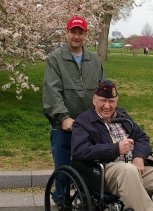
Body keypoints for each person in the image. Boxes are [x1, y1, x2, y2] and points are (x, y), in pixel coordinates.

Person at [71, 80, 153, 211]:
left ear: (116, 102)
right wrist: (115, 149)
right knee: (129, 170)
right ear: (94, 100)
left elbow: (142, 137)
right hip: (104, 172)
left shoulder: (123, 116)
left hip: (134, 169)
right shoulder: (83, 121)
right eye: (103, 100)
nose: (107, 106)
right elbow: (79, 150)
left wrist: (139, 157)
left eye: (111, 101)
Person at [42, 16, 104, 200]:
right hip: (65, 123)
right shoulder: (55, 59)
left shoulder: (94, 59)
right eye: (73, 32)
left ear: (86, 34)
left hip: (88, 123)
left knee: (90, 166)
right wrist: (63, 117)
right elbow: (52, 91)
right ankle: (61, 199)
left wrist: (106, 109)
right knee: (63, 168)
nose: (76, 36)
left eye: (80, 32)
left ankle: (86, 198)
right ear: (66, 33)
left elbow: (102, 89)